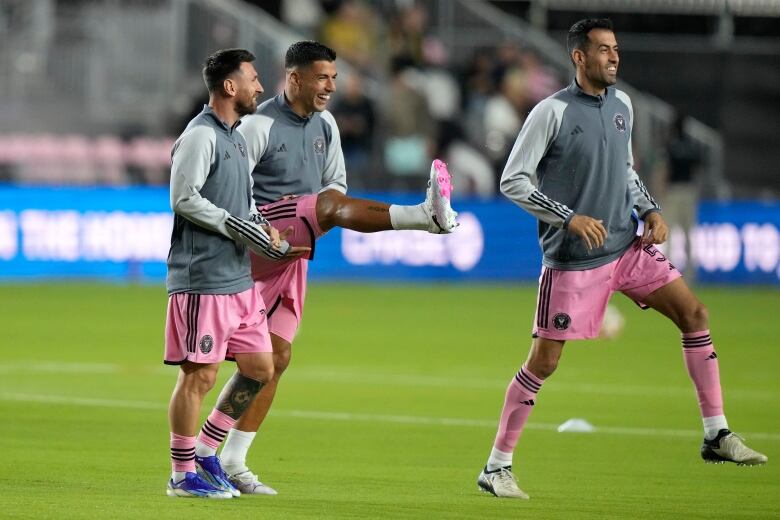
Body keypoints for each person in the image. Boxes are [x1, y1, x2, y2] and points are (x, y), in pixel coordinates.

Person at [476, 19, 767, 500]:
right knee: (544, 362)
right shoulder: (551, 112)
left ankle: (716, 433)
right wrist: (568, 218)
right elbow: (514, 180)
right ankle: (496, 466)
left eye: (616, 50)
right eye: (604, 50)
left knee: (695, 314)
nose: (614, 57)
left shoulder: (623, 105)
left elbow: (626, 171)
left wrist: (648, 207)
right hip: (574, 260)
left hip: (626, 248)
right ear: (579, 57)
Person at [216, 41, 457, 495]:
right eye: (322, 77)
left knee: (274, 360)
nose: (331, 86)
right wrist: (264, 229)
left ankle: (230, 460)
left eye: (334, 77)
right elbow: (232, 190)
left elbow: (337, 185)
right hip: (258, 244)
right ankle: (424, 216)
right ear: (294, 79)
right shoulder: (258, 126)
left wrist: (314, 224)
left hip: (296, 252)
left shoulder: (327, 124)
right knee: (327, 204)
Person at [164, 48, 307, 499]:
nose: (260, 87)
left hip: (238, 278)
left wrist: (267, 235)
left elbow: (242, 205)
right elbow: (183, 198)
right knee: (199, 377)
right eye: (253, 79)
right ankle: (181, 474)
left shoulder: (238, 138)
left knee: (261, 367)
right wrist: (236, 225)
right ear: (230, 87)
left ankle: (208, 451)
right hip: (202, 278)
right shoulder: (199, 137)